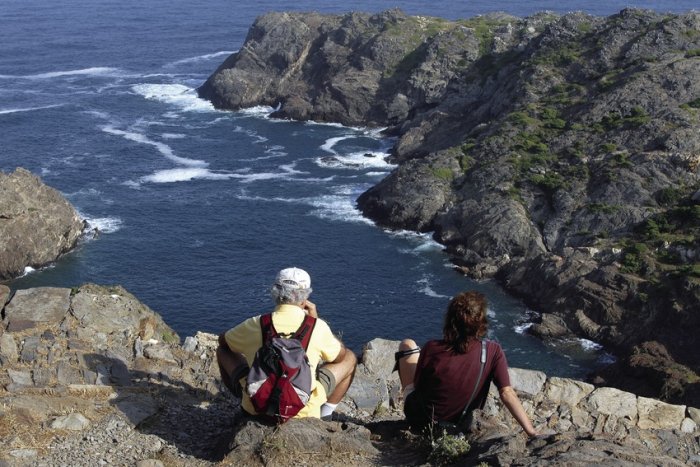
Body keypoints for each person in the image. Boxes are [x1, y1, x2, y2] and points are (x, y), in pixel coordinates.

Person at [216, 267, 357, 420]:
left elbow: (223, 342)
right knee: (350, 357)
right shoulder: (317, 327)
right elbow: (340, 356)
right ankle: (325, 414)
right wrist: (316, 320)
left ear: (275, 292)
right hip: (303, 413)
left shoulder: (256, 323)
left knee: (222, 351)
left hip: (257, 409)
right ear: (305, 297)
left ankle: (245, 398)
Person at [396, 291, 538, 437]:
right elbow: (507, 393)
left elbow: (418, 386)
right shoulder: (492, 351)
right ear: (481, 323)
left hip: (423, 422)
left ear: (450, 320)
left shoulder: (431, 347)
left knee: (407, 345)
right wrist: (530, 430)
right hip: (461, 424)